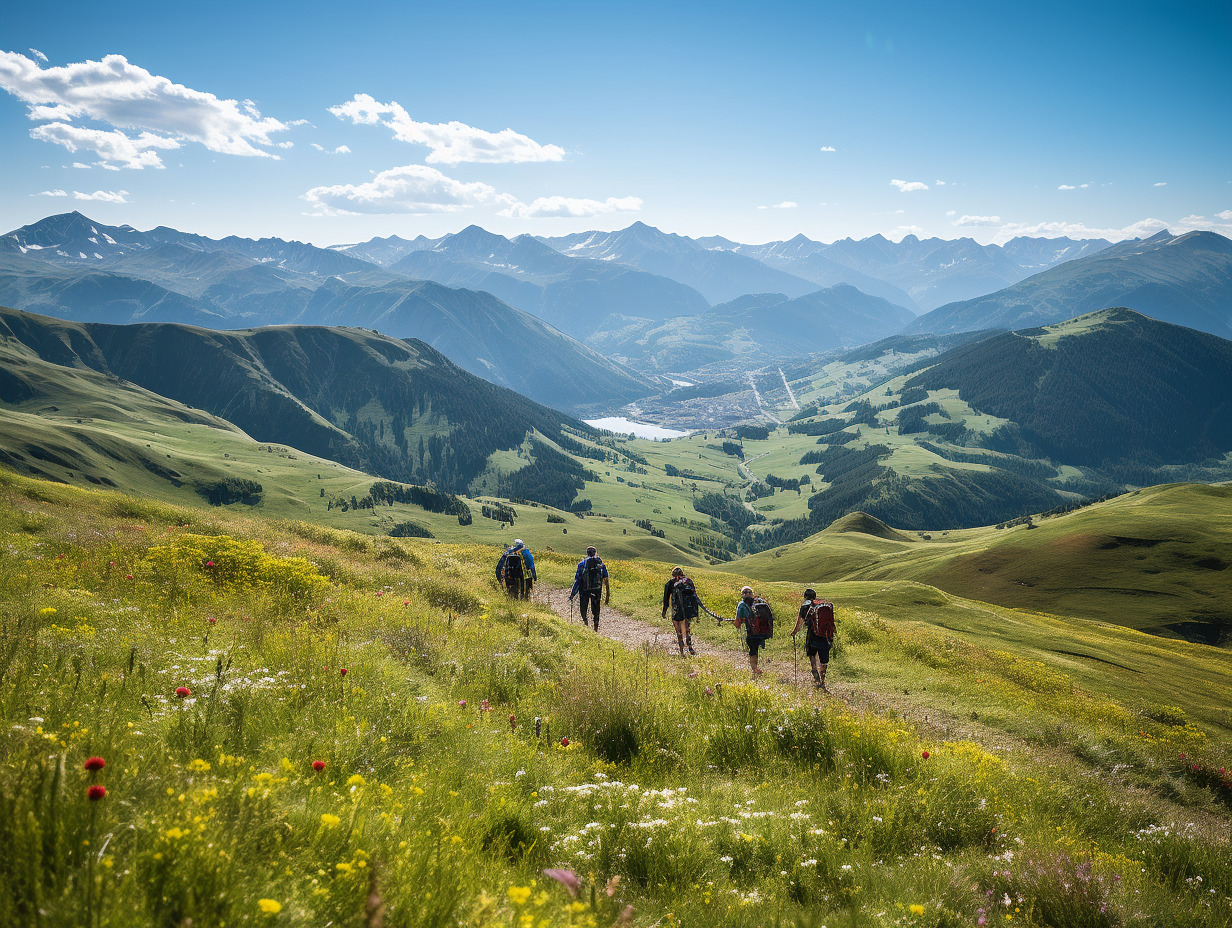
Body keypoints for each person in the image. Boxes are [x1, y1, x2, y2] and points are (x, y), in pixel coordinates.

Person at [792, 588, 836, 692]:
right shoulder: (825, 605)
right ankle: (822, 680)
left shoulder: (805, 606)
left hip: (812, 635)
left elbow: (800, 622)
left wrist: (794, 632)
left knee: (812, 655)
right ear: (815, 596)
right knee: (823, 659)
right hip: (826, 635)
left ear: (805, 596)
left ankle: (815, 675)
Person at [733, 585, 773, 676]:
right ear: (753, 594)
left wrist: (738, 623)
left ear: (742, 595)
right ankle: (756, 668)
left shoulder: (742, 604)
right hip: (762, 632)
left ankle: (754, 669)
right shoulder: (760, 601)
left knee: (753, 650)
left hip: (751, 631)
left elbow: (738, 622)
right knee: (756, 649)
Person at [569, 545, 610, 631]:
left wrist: (572, 594)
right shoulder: (601, 565)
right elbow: (606, 578)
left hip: (584, 590)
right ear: (596, 553)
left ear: (587, 553)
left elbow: (577, 580)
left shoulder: (581, 564)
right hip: (597, 589)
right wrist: (607, 595)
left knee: (583, 608)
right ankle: (595, 628)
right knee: (596, 610)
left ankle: (586, 624)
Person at [661, 566, 700, 656]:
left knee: (678, 630)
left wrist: (664, 611)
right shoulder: (688, 581)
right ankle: (690, 648)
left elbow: (666, 598)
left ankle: (682, 651)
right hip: (688, 610)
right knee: (687, 628)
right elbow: (694, 596)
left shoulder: (671, 583)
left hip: (676, 610)